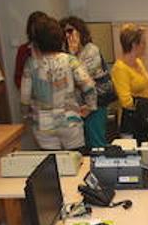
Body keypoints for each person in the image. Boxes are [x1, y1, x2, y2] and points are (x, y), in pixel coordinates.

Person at [19, 15, 94, 151]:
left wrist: (26, 114)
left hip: (43, 124)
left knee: (52, 164)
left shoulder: (31, 65)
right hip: (70, 121)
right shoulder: (70, 60)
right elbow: (88, 85)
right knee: (77, 161)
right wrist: (90, 106)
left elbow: (24, 98)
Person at [61, 16, 113, 149]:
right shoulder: (64, 55)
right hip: (77, 108)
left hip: (96, 104)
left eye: (70, 31)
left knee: (96, 146)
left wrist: (72, 55)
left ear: (80, 31)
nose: (68, 35)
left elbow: (82, 77)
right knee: (81, 148)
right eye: (64, 32)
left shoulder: (91, 50)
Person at [110, 24, 148, 143]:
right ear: (134, 45)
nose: (145, 46)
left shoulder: (138, 63)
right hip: (132, 122)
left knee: (146, 155)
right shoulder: (120, 68)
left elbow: (146, 86)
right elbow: (126, 101)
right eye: (143, 43)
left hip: (144, 119)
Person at [14, 10, 48, 89]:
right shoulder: (23, 50)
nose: (38, 30)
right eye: (35, 27)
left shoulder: (53, 47)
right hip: (32, 95)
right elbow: (18, 77)